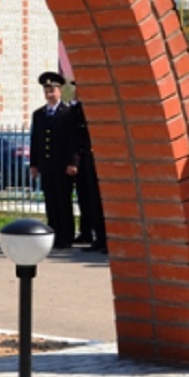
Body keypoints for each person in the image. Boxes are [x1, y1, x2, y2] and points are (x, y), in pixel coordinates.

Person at [29, 71, 79, 248]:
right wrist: (34, 164)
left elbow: (73, 140)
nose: (49, 94)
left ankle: (66, 236)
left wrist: (73, 163)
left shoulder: (68, 113)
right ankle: (53, 234)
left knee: (63, 201)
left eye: (53, 90)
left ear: (60, 91)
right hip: (47, 165)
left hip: (63, 165)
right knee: (50, 201)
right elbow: (35, 140)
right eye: (47, 91)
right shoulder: (39, 114)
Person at [69, 85, 106, 252]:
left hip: (96, 162)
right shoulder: (76, 110)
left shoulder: (98, 108)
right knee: (86, 200)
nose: (77, 92)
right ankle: (91, 235)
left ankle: (103, 239)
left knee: (98, 202)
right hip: (83, 162)